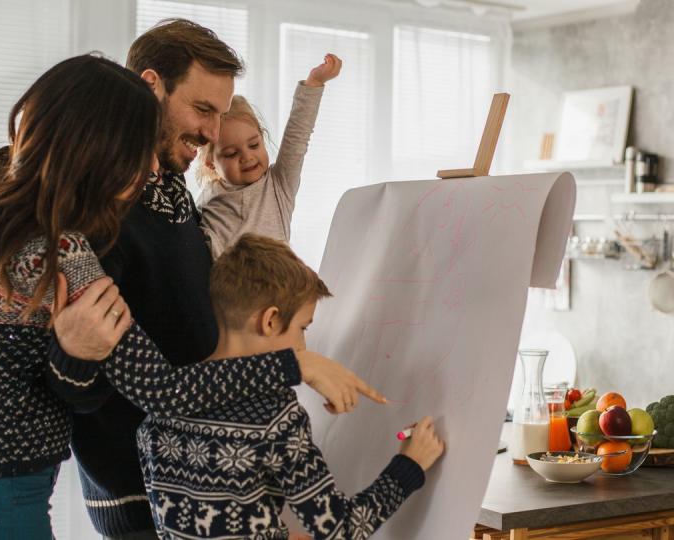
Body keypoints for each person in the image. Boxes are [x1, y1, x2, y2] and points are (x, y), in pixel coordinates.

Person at [47, 20, 382, 540]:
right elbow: (92, 383)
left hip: (205, 483)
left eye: (220, 117)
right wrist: (290, 365)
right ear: (152, 86)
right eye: (203, 110)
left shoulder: (174, 186)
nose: (210, 133)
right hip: (150, 496)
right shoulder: (103, 209)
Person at [0, 53, 161, 539]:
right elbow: (157, 382)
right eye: (142, 149)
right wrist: (291, 365)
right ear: (98, 150)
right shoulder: (62, 252)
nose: (152, 167)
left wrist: (71, 357)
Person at [136, 234, 446, 539]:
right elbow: (340, 529)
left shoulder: (162, 406)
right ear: (270, 320)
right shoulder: (275, 417)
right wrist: (410, 464)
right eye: (302, 327)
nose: (303, 343)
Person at [195, 54, 341, 258]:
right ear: (210, 164)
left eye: (254, 145)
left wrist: (314, 83)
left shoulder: (278, 185)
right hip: (227, 287)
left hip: (277, 286)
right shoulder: (208, 200)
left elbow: (297, 138)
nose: (247, 157)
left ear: (262, 138)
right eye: (231, 153)